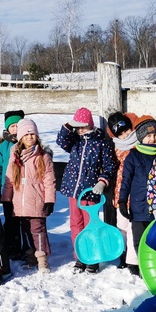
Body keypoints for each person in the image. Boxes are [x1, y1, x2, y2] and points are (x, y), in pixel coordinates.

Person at [56, 107, 119, 273]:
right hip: (73, 190)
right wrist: (69, 125)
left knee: (91, 225)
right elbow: (61, 141)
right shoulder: (75, 141)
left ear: (90, 125)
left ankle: (93, 256)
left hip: (90, 191)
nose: (80, 130)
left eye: (82, 126)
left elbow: (109, 165)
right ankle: (80, 256)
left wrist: (102, 182)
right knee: (76, 224)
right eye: (77, 127)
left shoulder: (101, 143)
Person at [1, 118, 56, 273]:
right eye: (26, 135)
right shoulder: (15, 156)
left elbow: (49, 180)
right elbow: (9, 179)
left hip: (37, 198)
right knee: (25, 230)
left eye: (32, 134)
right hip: (20, 201)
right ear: (20, 138)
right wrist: (6, 199)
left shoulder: (43, 156)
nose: (30, 137)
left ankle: (42, 258)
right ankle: (30, 254)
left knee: (37, 229)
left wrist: (50, 200)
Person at [118, 116, 156, 277]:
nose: (152, 139)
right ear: (141, 137)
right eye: (149, 136)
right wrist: (122, 200)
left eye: (155, 135)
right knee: (138, 239)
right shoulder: (133, 156)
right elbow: (126, 181)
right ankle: (143, 268)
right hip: (137, 206)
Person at [0, 109, 31, 262]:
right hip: (8, 189)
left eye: (18, 125)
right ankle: (12, 247)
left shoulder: (28, 143)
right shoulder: (3, 147)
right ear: (7, 129)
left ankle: (27, 247)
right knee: (10, 220)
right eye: (12, 126)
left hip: (26, 190)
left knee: (25, 220)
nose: (15, 129)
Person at [106, 111, 138, 271]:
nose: (125, 136)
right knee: (121, 226)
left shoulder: (138, 145)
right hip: (120, 193)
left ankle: (133, 260)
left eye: (126, 131)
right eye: (121, 134)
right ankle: (123, 254)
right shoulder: (115, 149)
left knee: (133, 227)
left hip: (136, 192)